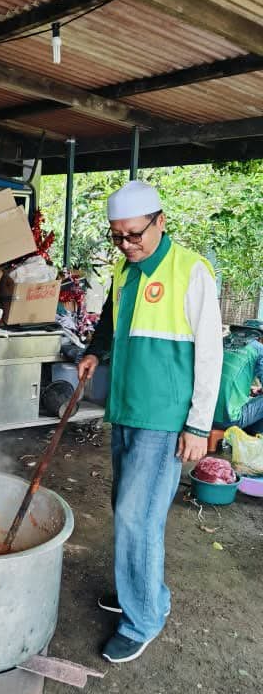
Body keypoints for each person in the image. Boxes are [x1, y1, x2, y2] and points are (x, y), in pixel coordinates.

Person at [78, 180, 223, 664]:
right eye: (117, 237)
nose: (126, 245)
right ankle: (142, 592)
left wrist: (199, 427)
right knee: (128, 507)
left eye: (134, 235)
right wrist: (96, 353)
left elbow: (210, 357)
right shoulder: (126, 270)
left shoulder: (191, 271)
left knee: (137, 516)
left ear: (160, 222)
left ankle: (142, 619)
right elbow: (110, 321)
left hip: (165, 419)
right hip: (126, 410)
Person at [213, 328, 263, 435]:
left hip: (204, 417)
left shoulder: (223, 341)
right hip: (229, 420)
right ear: (259, 338)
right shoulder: (258, 349)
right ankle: (255, 434)